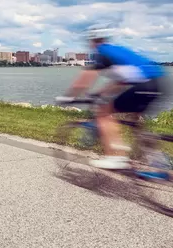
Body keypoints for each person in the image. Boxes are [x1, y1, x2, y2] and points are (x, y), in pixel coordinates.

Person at [58, 23, 167, 169]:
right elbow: (121, 82)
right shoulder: (117, 51)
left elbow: (83, 82)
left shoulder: (101, 52)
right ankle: (156, 159)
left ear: (92, 41)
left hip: (145, 85)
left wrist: (68, 97)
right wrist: (99, 93)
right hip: (158, 83)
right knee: (134, 120)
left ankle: (117, 158)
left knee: (104, 113)